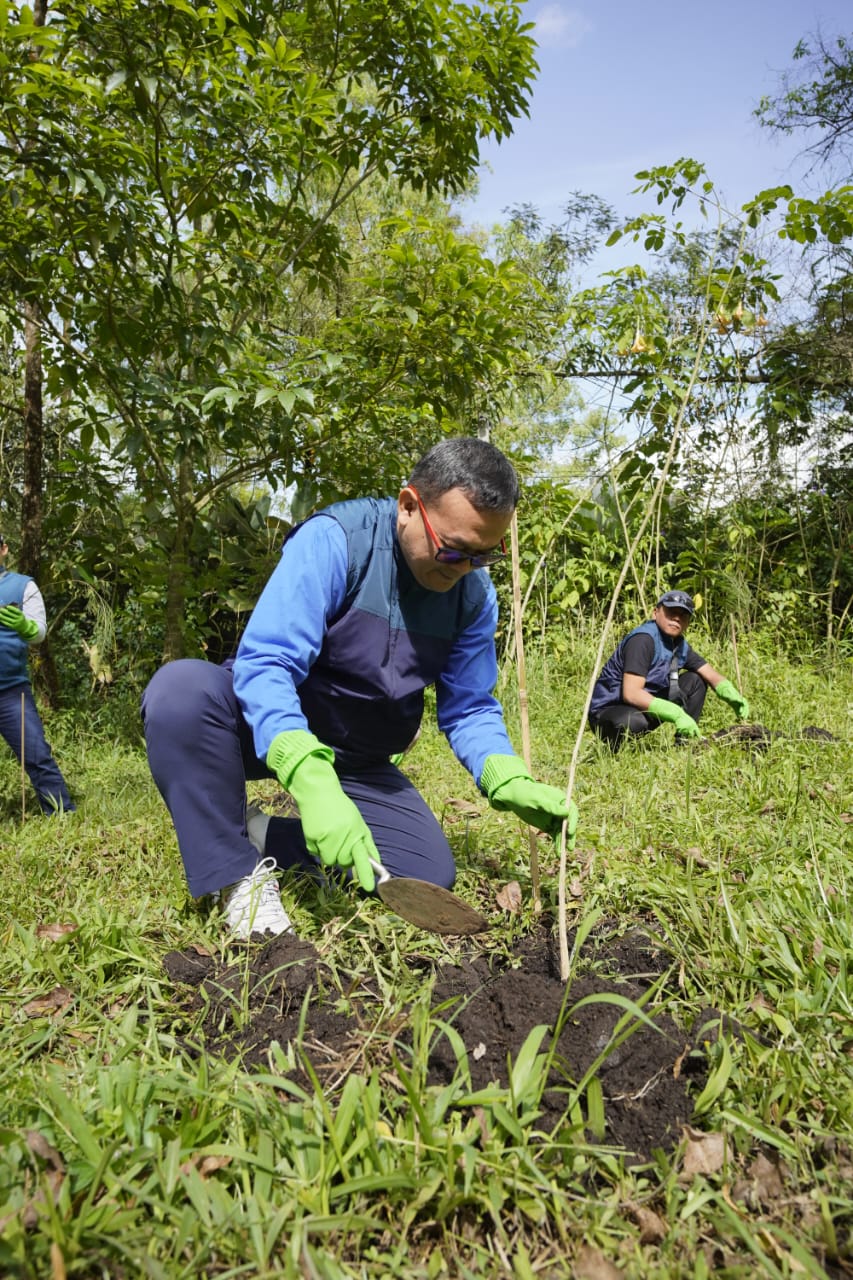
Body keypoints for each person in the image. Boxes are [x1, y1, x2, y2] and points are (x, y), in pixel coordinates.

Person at [142, 437, 578, 939]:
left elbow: (469, 706)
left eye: (482, 557)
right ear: (409, 506)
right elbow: (266, 665)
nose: (462, 569)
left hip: (359, 755)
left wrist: (505, 777)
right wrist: (308, 774)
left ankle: (264, 832)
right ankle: (236, 876)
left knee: (425, 873)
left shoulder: (474, 598)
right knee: (181, 692)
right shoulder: (336, 542)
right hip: (266, 729)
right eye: (453, 549)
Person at [587, 589, 750, 751]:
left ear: (688, 622)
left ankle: (686, 744)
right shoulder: (643, 640)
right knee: (634, 722)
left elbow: (709, 674)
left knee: (696, 680)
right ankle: (615, 750)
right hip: (609, 712)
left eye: (683, 615)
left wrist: (730, 693)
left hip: (642, 706)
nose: (676, 618)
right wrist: (676, 713)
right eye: (671, 611)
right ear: (655, 612)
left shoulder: (678, 645)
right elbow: (631, 693)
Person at [0, 536, 76, 814]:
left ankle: (61, 815)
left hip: (10, 691)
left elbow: (39, 631)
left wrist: (25, 627)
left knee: (36, 754)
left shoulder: (22, 585)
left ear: (4, 549)